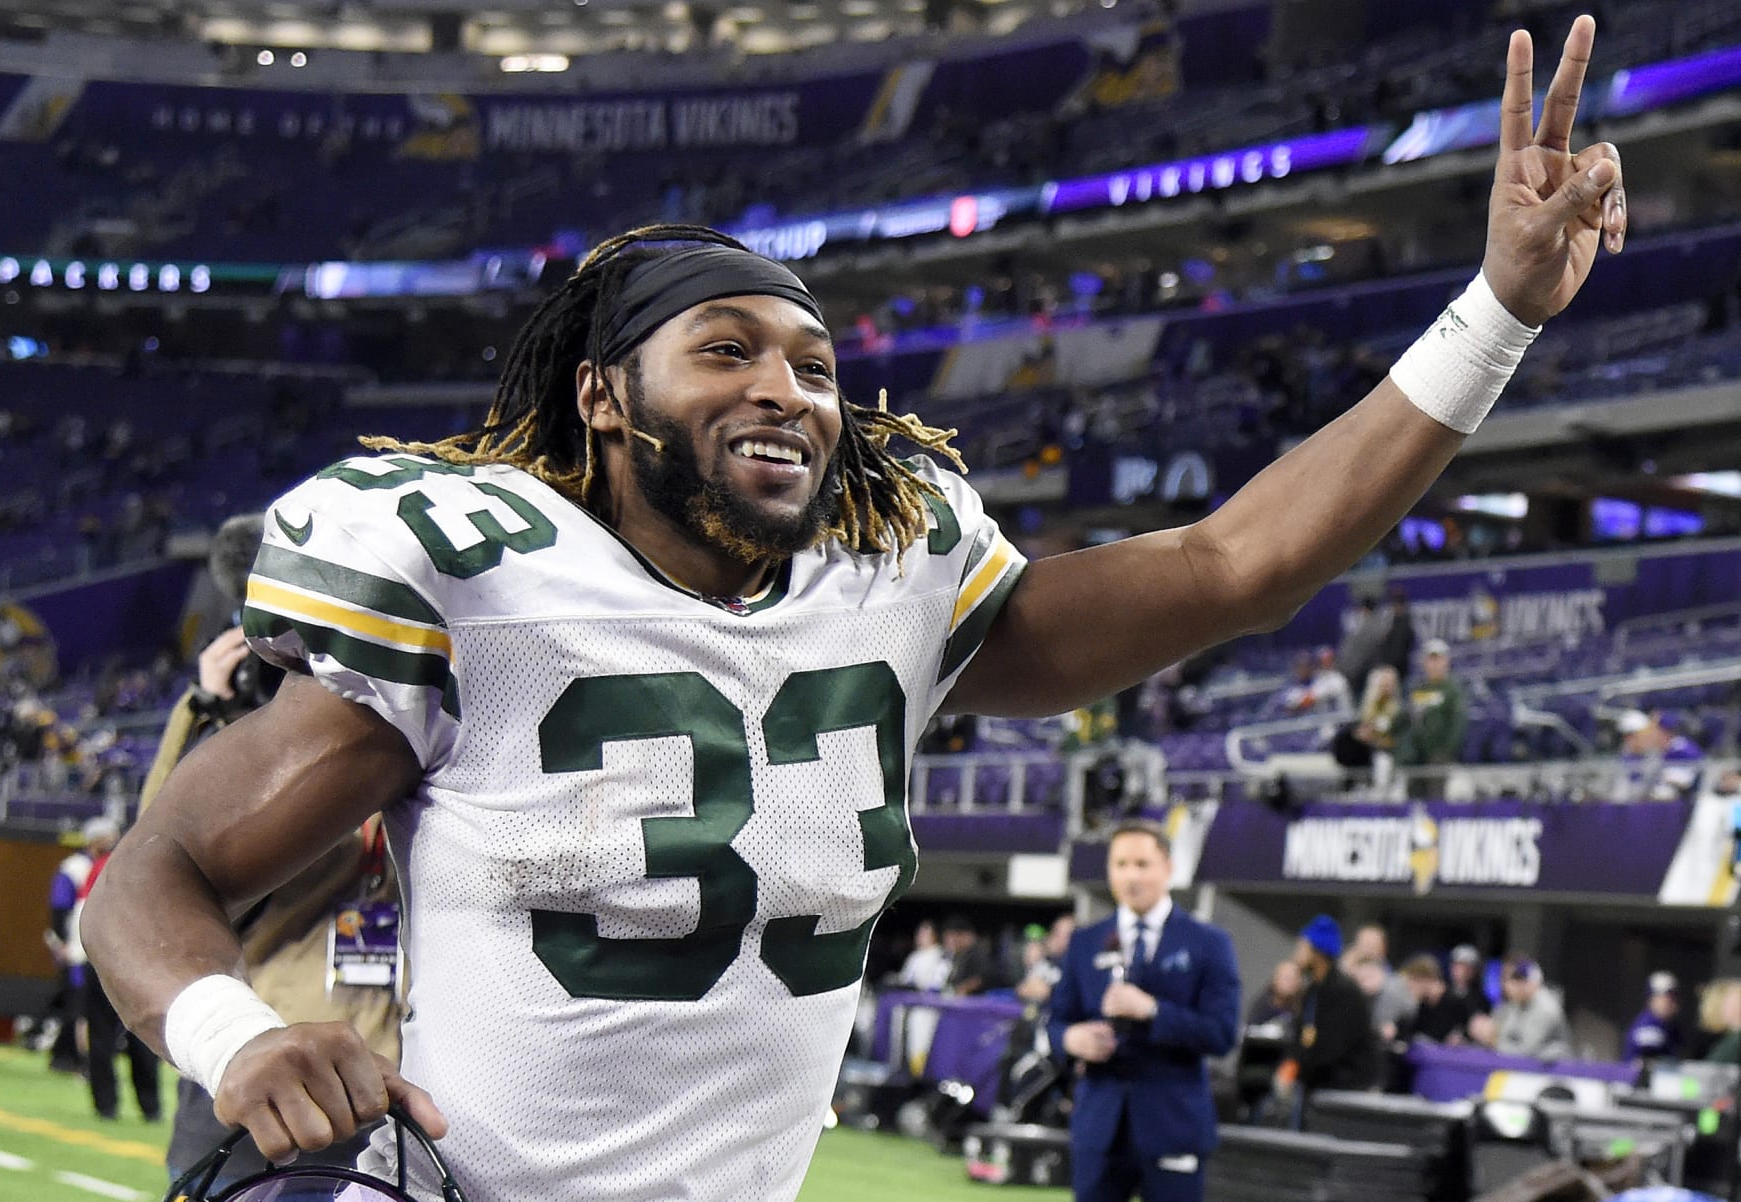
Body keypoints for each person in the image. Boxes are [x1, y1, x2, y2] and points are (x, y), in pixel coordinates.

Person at [83, 23, 1629, 1197]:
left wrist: (1497, 311)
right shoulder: (486, 585)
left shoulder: (892, 582)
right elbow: (154, 872)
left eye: (814, 364)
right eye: (727, 349)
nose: (787, 387)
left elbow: (1237, 565)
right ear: (604, 396)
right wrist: (234, 1034)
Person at [144, 517, 406, 1192]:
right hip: (265, 1047)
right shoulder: (225, 721)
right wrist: (211, 711)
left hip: (388, 1060)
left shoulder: (406, 710)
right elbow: (156, 869)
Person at [1047, 821, 1240, 1202]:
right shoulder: (1085, 942)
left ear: (1168, 867)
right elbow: (1055, 1022)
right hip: (1099, 1128)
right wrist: (1070, 1039)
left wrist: (1152, 1010)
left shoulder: (1208, 943)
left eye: (1142, 864)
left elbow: (1221, 1033)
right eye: (1120, 864)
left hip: (1173, 1124)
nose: (1130, 876)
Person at [79, 820, 162, 1121]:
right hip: (141, 961)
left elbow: (84, 913)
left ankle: (106, 1106)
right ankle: (150, 1107)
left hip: (103, 958)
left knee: (101, 1036)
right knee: (144, 1035)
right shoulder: (152, 868)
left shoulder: (101, 867)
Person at [41, 816, 119, 1074]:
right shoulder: (74, 867)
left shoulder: (109, 864)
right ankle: (73, 1058)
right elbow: (60, 907)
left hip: (101, 946)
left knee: (85, 1007)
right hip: (78, 945)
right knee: (79, 1004)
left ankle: (67, 1056)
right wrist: (62, 942)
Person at [1278, 915, 1379, 1097]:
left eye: (1302, 947)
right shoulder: (1314, 990)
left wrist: (1298, 1068)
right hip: (1319, 1084)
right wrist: (1291, 1063)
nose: (1297, 953)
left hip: (1345, 1090)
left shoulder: (1344, 992)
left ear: (1317, 953)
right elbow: (1303, 1034)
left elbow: (1331, 1048)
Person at [1469, 955, 1572, 1060]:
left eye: (1507, 979)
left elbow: (1525, 1053)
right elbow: (1503, 1033)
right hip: (1523, 1067)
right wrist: (1485, 1030)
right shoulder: (1515, 1003)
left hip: (1550, 1069)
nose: (1505, 985)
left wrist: (1493, 1040)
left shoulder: (1545, 1009)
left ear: (1525, 982)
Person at [1400, 639, 1469, 772]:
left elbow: (1458, 723)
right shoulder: (1418, 689)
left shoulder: (1453, 690)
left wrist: (1446, 751)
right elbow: (1408, 719)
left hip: (1440, 755)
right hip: (1416, 755)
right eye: (1430, 660)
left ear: (1446, 662)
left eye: (1438, 659)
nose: (1434, 664)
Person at [1394, 954, 1472, 1045]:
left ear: (1426, 979)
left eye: (1413, 983)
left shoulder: (1457, 1003)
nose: (1410, 989)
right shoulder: (1421, 1006)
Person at [1623, 971, 1682, 1062]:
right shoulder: (1647, 1024)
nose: (1671, 1002)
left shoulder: (1671, 1027)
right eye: (1667, 997)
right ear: (1652, 999)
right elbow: (1648, 1063)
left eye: (1674, 997)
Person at [943, 916, 1004, 996]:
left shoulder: (977, 952)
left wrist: (963, 988)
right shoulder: (958, 954)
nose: (951, 941)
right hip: (961, 997)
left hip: (981, 998)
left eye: (954, 936)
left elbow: (982, 977)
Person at [895, 919, 951, 992]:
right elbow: (905, 978)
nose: (921, 936)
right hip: (912, 993)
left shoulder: (942, 954)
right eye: (920, 933)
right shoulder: (914, 956)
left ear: (934, 935)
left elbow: (939, 981)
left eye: (925, 933)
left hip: (931, 995)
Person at [1246, 960, 1303, 1029]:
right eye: (1285, 978)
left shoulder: (1302, 1003)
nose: (1289, 983)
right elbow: (1250, 1027)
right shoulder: (1262, 1003)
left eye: (1293, 979)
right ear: (1275, 979)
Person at [1448, 944, 1492, 1017]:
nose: (1461, 970)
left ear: (1474, 971)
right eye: (1457, 965)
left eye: (1466, 966)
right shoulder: (1442, 992)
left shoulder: (1480, 1000)